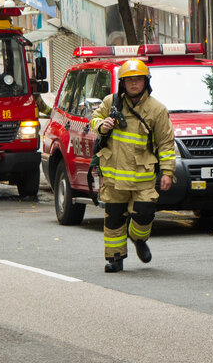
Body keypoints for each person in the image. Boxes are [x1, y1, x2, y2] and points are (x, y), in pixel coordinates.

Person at [89, 58, 176, 273]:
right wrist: (102, 125)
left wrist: (167, 172)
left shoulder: (157, 110)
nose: (134, 84)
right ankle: (115, 259)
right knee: (114, 219)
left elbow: (166, 143)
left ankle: (138, 238)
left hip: (142, 177)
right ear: (123, 83)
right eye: (129, 80)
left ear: (146, 82)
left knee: (144, 213)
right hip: (114, 176)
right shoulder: (111, 102)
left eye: (138, 80)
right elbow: (93, 119)